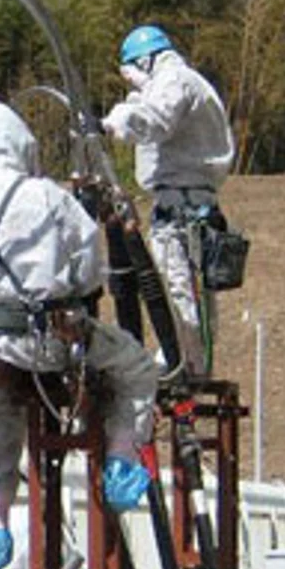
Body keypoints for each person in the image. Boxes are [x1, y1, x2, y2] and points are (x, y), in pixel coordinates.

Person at [0, 103, 158, 569]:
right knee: (134, 366)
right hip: (50, 344)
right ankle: (120, 456)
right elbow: (88, 269)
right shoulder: (49, 197)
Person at [99, 25, 236, 375]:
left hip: (184, 211)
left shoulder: (175, 80)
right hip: (185, 204)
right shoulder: (184, 83)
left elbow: (155, 120)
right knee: (185, 296)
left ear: (145, 61)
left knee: (181, 295)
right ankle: (186, 360)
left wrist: (116, 121)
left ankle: (187, 366)